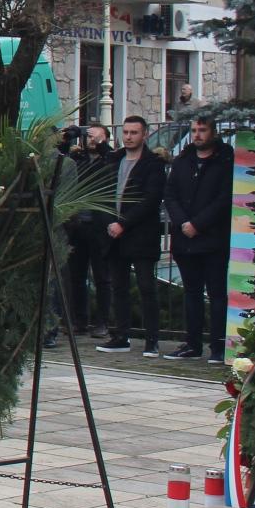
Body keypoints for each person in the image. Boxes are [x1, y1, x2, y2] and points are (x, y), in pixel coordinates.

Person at [163, 115, 234, 363]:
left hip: (213, 239)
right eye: (194, 130)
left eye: (202, 130)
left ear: (213, 132)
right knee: (191, 293)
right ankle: (192, 344)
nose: (197, 134)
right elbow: (170, 194)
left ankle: (218, 346)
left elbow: (224, 199)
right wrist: (184, 223)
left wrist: (198, 224)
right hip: (185, 240)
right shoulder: (184, 160)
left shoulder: (225, 160)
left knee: (216, 294)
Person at [95, 115, 166, 357]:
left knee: (147, 287)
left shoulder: (153, 164)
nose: (128, 137)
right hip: (114, 235)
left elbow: (150, 199)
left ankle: (151, 340)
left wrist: (124, 223)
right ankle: (121, 336)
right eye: (125, 132)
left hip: (140, 234)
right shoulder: (114, 160)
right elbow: (102, 193)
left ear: (144, 135)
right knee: (119, 287)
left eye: (134, 132)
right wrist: (110, 224)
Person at [62, 123, 116, 336]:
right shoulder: (78, 159)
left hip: (99, 224)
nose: (91, 140)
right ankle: (79, 320)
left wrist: (102, 145)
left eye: (96, 137)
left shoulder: (110, 158)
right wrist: (67, 140)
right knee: (77, 276)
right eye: (88, 136)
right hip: (78, 224)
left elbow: (111, 162)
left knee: (102, 276)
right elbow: (60, 162)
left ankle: (102, 321)